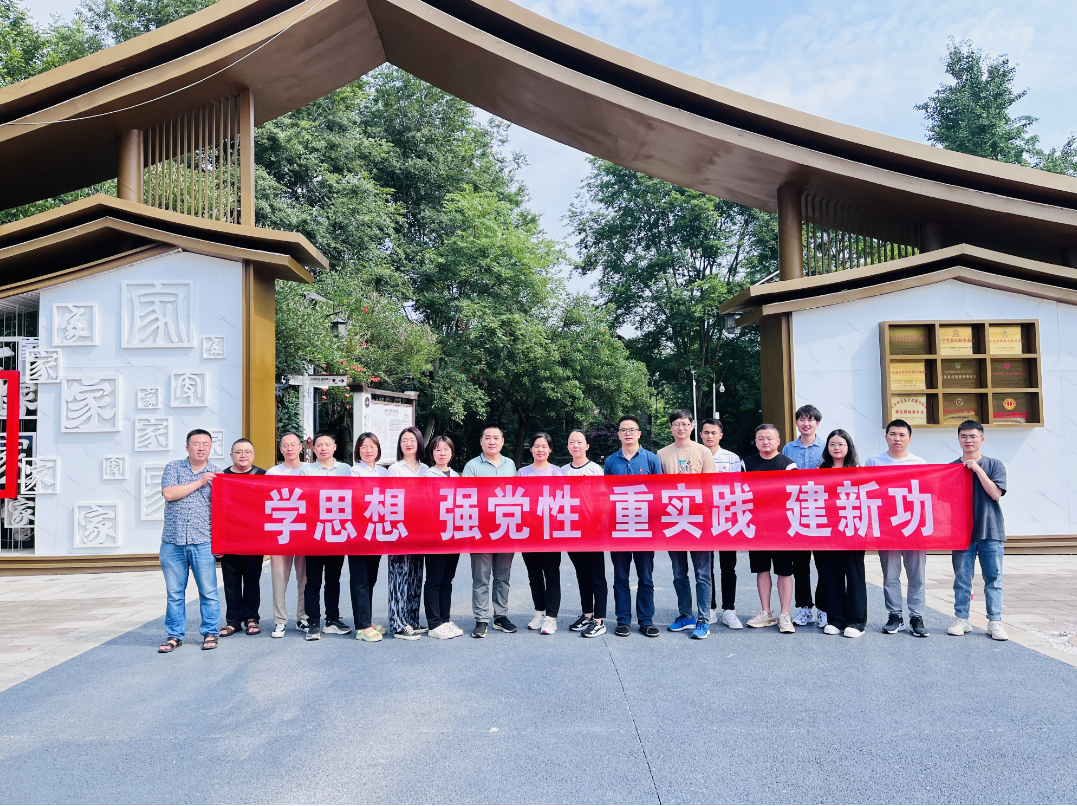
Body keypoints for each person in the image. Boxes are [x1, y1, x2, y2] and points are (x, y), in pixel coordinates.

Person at [157, 429, 223, 653]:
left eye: (206, 444)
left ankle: (210, 632)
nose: (201, 447)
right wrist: (200, 481)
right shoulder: (174, 467)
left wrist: (220, 542)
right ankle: (174, 635)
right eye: (196, 443)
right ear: (187, 447)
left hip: (203, 541)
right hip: (172, 541)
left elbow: (221, 511)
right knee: (175, 593)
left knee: (208, 592)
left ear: (210, 447)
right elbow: (169, 494)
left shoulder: (217, 474)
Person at [656, 409, 716, 640]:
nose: (680, 428)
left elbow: (711, 486)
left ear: (692, 426)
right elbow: (658, 488)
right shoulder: (662, 454)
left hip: (699, 519)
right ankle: (685, 615)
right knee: (679, 573)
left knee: (702, 573)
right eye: (676, 424)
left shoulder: (703, 452)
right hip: (673, 519)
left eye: (684, 423)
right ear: (671, 427)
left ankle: (703, 619)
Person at [867, 419, 929, 638]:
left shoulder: (919, 463)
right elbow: (867, 493)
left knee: (917, 575)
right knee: (890, 575)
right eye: (893, 434)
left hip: (914, 526)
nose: (897, 438)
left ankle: (917, 616)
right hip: (887, 527)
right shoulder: (874, 462)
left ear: (910, 439)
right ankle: (895, 615)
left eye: (902, 435)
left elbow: (926, 495)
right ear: (886, 437)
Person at [947, 421, 1009, 641]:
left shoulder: (994, 465)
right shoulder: (951, 468)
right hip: (961, 533)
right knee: (962, 579)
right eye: (964, 436)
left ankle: (995, 621)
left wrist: (977, 469)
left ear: (982, 439)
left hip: (990, 530)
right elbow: (945, 500)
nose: (968, 440)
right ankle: (961, 619)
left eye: (973, 436)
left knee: (993, 579)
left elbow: (995, 493)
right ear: (958, 439)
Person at [604, 414, 663, 638]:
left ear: (639, 433)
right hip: (619, 527)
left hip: (644, 528)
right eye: (623, 430)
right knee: (620, 577)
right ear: (618, 434)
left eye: (632, 429)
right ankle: (623, 620)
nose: (628, 433)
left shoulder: (651, 460)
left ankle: (646, 620)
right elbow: (606, 495)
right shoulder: (611, 462)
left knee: (645, 577)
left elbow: (659, 492)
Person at [462, 425, 518, 639]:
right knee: (481, 577)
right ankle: (481, 619)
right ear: (481, 441)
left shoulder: (510, 465)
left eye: (496, 438)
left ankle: (501, 616)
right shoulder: (472, 466)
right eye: (487, 438)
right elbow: (465, 498)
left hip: (505, 528)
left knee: (503, 576)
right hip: (480, 530)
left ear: (502, 442)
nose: (491, 441)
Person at [744, 424, 799, 634]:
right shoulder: (746, 464)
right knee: (762, 569)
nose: (765, 442)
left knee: (784, 571)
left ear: (778, 441)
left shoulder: (788, 465)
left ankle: (785, 615)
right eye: (761, 438)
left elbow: (794, 496)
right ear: (755, 441)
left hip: (782, 526)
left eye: (769, 438)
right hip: (756, 525)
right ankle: (766, 612)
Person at [301, 430, 353, 641]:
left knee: (333, 579)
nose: (323, 448)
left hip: (337, 532)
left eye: (327, 444)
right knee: (313, 581)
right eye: (319, 445)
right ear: (313, 449)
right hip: (314, 532)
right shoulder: (306, 470)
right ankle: (313, 622)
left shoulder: (346, 469)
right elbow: (303, 499)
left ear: (334, 447)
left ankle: (332, 619)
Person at [815, 429, 867, 638]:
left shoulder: (859, 471)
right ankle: (835, 619)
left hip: (852, 531)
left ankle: (856, 622)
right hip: (827, 532)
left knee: (854, 576)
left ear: (848, 447)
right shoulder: (819, 471)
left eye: (840, 444)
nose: (836, 448)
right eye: (832, 444)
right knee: (830, 576)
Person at [782, 404, 827, 629]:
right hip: (796, 513)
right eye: (802, 419)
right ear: (797, 422)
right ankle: (804, 608)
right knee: (800, 564)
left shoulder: (827, 447)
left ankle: (824, 608)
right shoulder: (788, 449)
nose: (806, 424)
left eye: (810, 420)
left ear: (817, 423)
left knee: (823, 563)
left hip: (822, 513)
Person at [218, 438, 266, 638]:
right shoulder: (221, 477)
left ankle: (252, 618)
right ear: (231, 455)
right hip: (229, 538)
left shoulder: (263, 475)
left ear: (253, 455)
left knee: (252, 580)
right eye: (238, 452)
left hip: (254, 538)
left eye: (247, 451)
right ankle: (233, 621)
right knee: (231, 582)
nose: (243, 455)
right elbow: (216, 510)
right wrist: (218, 541)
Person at [699, 417, 743, 630]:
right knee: (706, 566)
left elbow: (738, 488)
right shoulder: (695, 455)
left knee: (728, 566)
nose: (710, 436)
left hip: (726, 517)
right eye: (706, 432)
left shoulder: (732, 459)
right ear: (700, 434)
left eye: (713, 432)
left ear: (720, 435)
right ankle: (710, 608)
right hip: (702, 517)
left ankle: (729, 609)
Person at [518, 432, 564, 635]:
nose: (540, 450)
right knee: (534, 575)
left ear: (550, 449)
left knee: (552, 574)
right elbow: (518, 500)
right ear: (531, 449)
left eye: (544, 446)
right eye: (537, 446)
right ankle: (540, 611)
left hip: (550, 532)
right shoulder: (523, 472)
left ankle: (551, 617)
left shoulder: (556, 472)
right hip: (528, 532)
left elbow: (560, 501)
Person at [563, 429, 607, 639]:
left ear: (587, 446)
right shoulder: (562, 471)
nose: (575, 446)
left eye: (579, 442)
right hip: (571, 531)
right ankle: (587, 614)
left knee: (596, 575)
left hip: (592, 531)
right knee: (581, 574)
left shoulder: (595, 470)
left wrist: (597, 527)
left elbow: (602, 501)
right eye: (572, 442)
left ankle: (599, 620)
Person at [266, 432, 310, 638]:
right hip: (280, 531)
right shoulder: (272, 472)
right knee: (279, 579)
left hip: (304, 531)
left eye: (293, 444)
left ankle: (303, 618)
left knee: (305, 579)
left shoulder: (309, 470)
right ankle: (280, 620)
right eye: (285, 445)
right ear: (280, 449)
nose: (289, 448)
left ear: (301, 447)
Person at [386, 426, 429, 640]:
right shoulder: (395, 469)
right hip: (400, 529)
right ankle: (398, 623)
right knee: (399, 576)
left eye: (412, 439)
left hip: (420, 529)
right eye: (404, 440)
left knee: (415, 575)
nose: (408, 443)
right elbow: (392, 499)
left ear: (419, 443)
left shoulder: (426, 469)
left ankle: (412, 618)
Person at [423, 436, 464, 640]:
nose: (442, 453)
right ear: (432, 453)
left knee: (447, 579)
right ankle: (434, 623)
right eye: (438, 450)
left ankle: (445, 619)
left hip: (453, 535)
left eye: (446, 449)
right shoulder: (427, 476)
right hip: (434, 536)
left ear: (451, 452)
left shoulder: (455, 476)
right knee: (434, 579)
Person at [349, 432, 388, 643]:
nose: (368, 450)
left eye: (372, 446)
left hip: (377, 531)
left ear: (378, 449)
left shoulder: (384, 472)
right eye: (363, 447)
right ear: (358, 450)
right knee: (360, 579)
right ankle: (361, 626)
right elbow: (357, 499)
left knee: (370, 578)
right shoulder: (354, 471)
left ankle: (367, 620)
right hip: (359, 532)